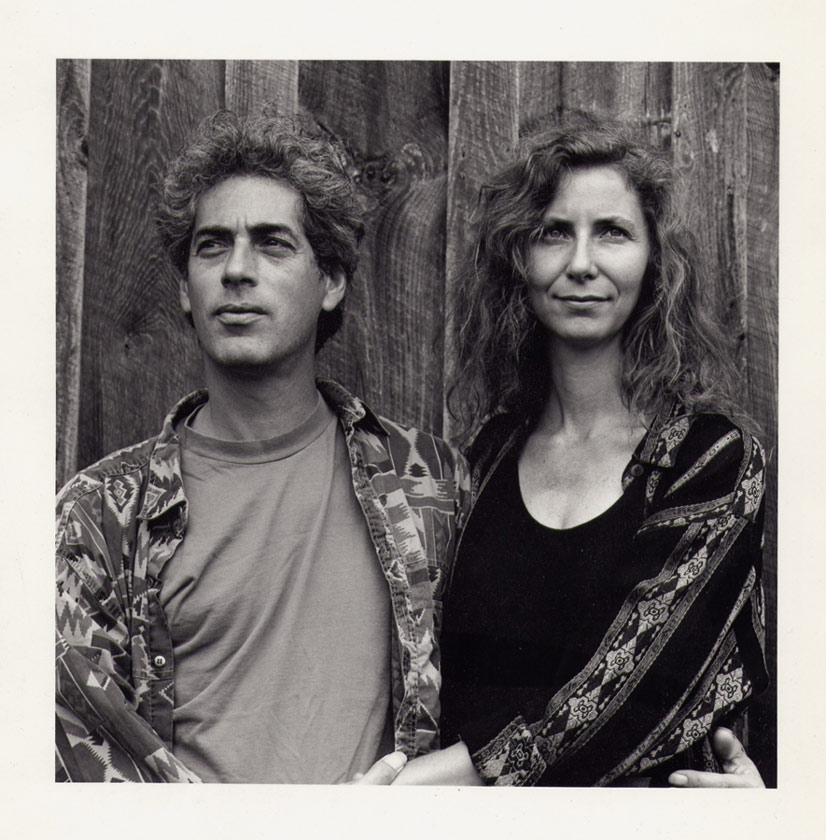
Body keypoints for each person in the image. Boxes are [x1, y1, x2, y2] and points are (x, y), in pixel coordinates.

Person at [54, 111, 469, 783]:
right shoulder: (99, 515)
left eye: (273, 244)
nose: (236, 271)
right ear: (185, 287)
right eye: (212, 246)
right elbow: (81, 762)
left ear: (330, 280)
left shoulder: (430, 483)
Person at [386, 120, 769, 786]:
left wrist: (433, 781)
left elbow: (629, 685)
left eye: (613, 232)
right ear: (518, 260)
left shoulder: (711, 459)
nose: (582, 263)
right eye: (554, 233)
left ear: (655, 260)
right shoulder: (489, 456)